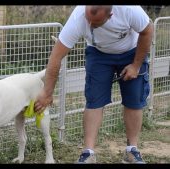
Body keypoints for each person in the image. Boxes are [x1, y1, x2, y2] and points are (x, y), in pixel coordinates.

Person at [34, 6, 153, 163]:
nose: (88, 25)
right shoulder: (78, 17)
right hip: (98, 54)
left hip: (131, 52)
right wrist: (47, 92)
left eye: (94, 22)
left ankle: (132, 151)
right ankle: (88, 153)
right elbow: (56, 57)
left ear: (110, 15)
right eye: (87, 19)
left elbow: (147, 30)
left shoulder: (129, 9)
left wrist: (136, 65)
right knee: (94, 100)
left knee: (134, 100)